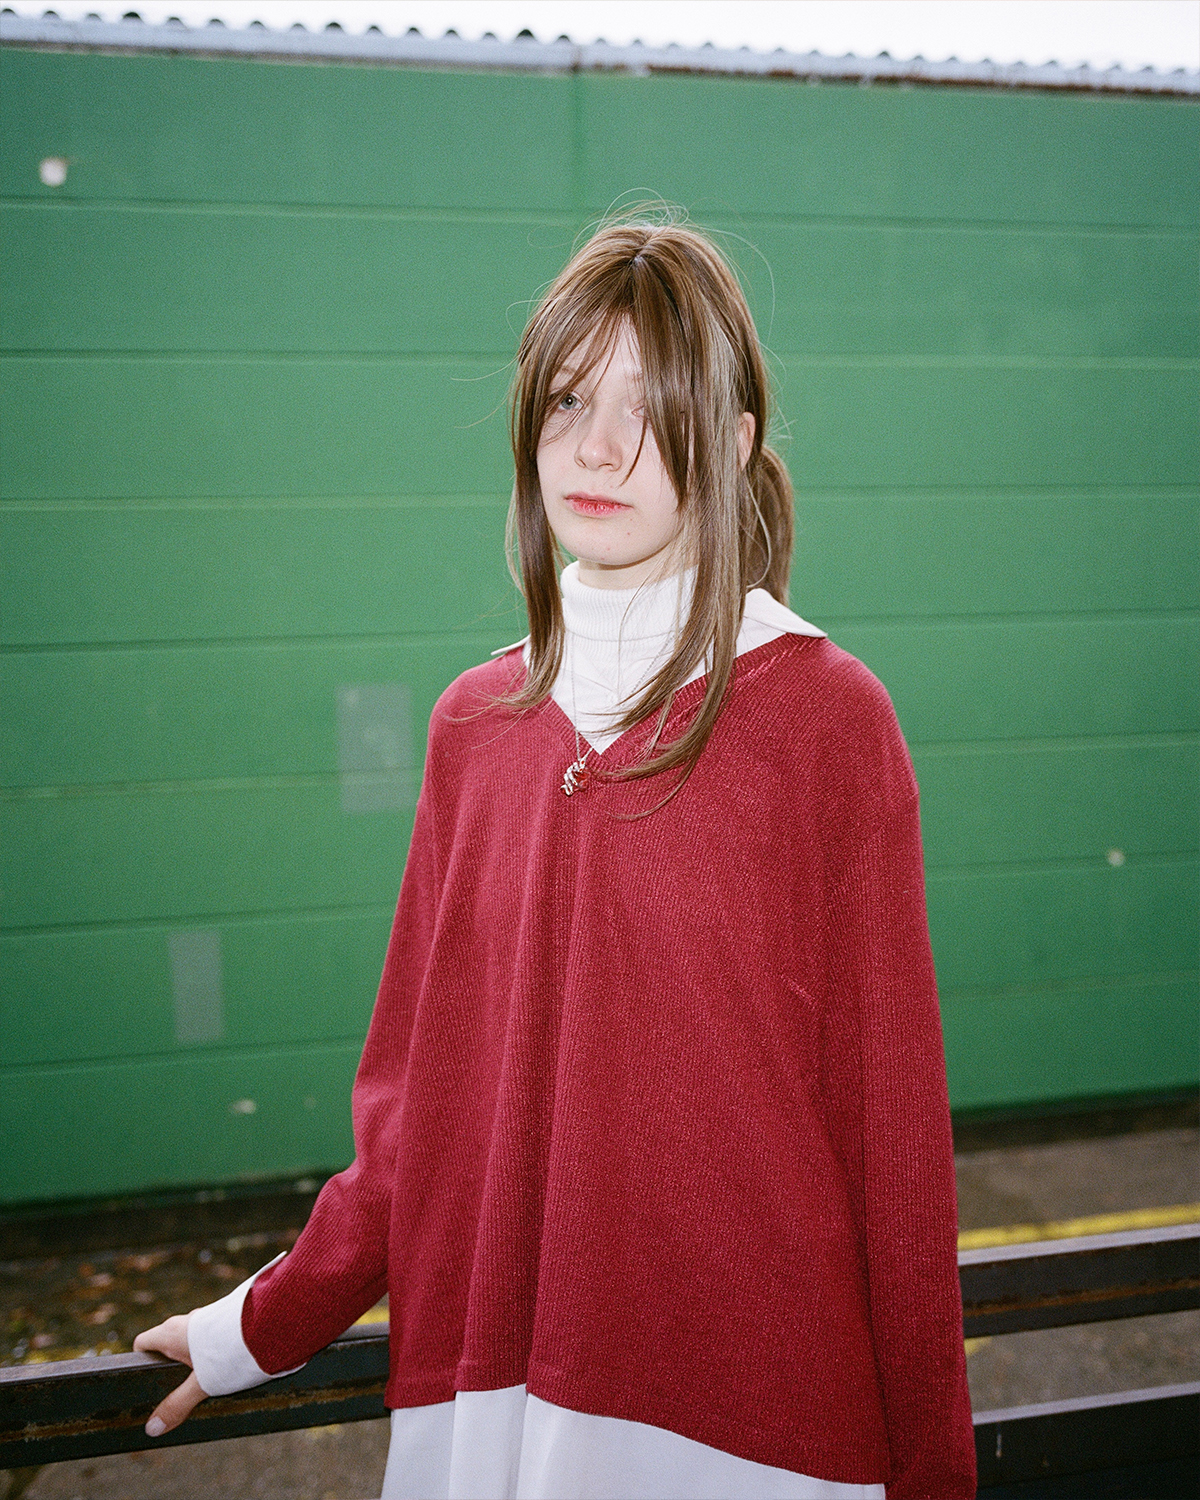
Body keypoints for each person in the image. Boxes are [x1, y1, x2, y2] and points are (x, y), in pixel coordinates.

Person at [135, 213, 977, 1499]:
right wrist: (261, 1325)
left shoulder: (827, 719)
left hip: (757, 1423)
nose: (596, 447)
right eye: (570, 398)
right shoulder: (475, 725)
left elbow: (895, 1142)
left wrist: (932, 1470)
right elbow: (421, 1098)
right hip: (502, 1403)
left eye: (651, 406)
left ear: (733, 442)